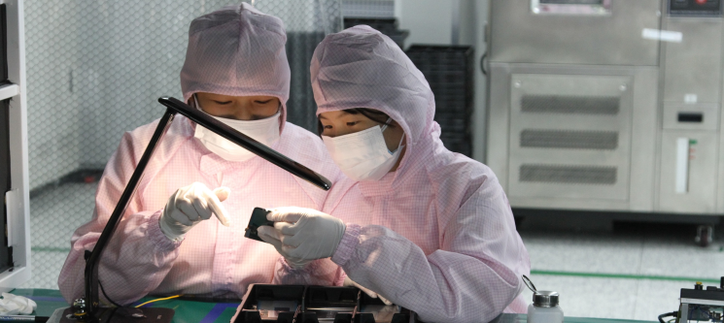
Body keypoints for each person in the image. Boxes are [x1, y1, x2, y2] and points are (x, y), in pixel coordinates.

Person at [57, 3, 343, 305]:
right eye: (222, 103)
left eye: (261, 102)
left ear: (282, 97)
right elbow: (80, 288)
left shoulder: (316, 161)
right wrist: (159, 229)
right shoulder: (146, 149)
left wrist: (302, 263)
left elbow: (337, 292)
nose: (242, 119)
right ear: (191, 98)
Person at [258, 25, 531, 323]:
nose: (338, 140)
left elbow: (467, 300)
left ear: (403, 114)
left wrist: (348, 244)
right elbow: (321, 301)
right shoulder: (343, 189)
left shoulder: (468, 186)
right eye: (328, 127)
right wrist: (301, 263)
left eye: (352, 125)